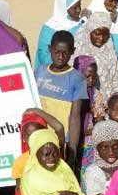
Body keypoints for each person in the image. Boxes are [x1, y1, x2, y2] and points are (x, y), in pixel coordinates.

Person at [34, 31, 86, 164]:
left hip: (60, 141)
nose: (61, 57)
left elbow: (75, 117)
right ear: (49, 49)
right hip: (37, 137)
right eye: (57, 52)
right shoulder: (39, 71)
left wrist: (72, 151)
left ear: (72, 51)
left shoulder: (77, 78)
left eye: (65, 53)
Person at [75, 12, 118, 96]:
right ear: (89, 30)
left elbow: (116, 78)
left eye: (105, 34)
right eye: (97, 34)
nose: (101, 38)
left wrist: (115, 97)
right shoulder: (78, 49)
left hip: (108, 100)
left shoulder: (110, 47)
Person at [36, 0, 83, 68]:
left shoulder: (80, 23)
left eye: (79, 6)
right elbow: (44, 55)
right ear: (63, 8)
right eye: (75, 8)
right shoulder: (49, 28)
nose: (78, 10)